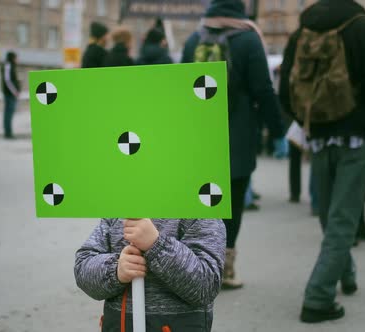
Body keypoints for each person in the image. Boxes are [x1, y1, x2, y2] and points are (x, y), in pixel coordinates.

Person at [279, 0, 365, 323]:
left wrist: (304, 117)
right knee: (342, 220)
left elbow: (286, 81)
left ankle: (347, 275)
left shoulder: (304, 28)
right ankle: (317, 298)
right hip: (356, 136)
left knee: (330, 216)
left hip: (318, 133)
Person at [181, 0, 285, 289]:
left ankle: (193, 268)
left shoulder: (194, 39)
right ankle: (224, 269)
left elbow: (177, 89)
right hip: (236, 139)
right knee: (231, 206)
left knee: (198, 204)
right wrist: (277, 132)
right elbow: (264, 90)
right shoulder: (249, 39)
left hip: (197, 139)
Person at [75, 218, 225, 331]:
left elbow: (205, 286)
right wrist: (115, 270)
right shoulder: (118, 211)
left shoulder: (200, 210)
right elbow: (82, 269)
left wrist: (156, 244)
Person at [1, 51, 20, 139]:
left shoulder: (11, 66)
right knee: (8, 114)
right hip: (9, 94)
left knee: (9, 114)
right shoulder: (8, 65)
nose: (17, 60)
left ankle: (8, 132)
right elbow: (7, 80)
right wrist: (14, 91)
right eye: (16, 58)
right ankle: (8, 133)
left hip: (10, 94)